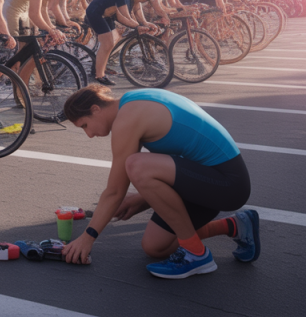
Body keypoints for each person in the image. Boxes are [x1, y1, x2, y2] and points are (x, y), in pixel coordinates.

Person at [60, 85, 259, 278]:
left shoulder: (127, 117)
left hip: (228, 184)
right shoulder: (132, 99)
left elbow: (115, 191)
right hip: (207, 181)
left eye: (85, 125)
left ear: (95, 109)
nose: (89, 134)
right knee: (156, 246)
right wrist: (141, 199)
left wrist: (87, 238)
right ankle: (234, 226)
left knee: (137, 166)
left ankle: (196, 255)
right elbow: (182, 164)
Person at [85, 0, 164, 85]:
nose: (146, 1)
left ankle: (99, 66)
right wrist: (137, 26)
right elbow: (123, 17)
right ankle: (99, 75)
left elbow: (137, 13)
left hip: (107, 15)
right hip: (96, 14)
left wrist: (146, 24)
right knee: (107, 43)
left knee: (112, 43)